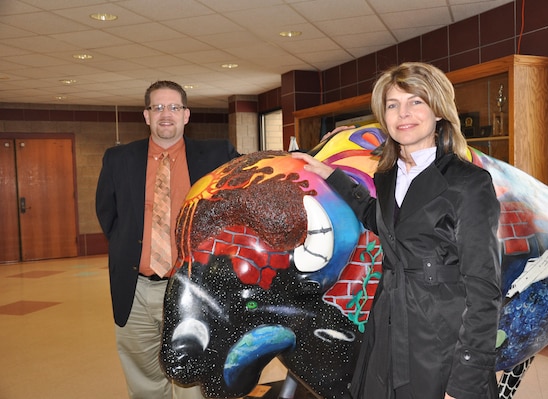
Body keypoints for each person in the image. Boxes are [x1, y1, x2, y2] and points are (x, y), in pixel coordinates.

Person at [292, 62, 501, 399]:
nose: (403, 113)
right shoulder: (387, 177)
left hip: (440, 342)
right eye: (393, 105)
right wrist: (332, 176)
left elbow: (484, 289)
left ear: (438, 111)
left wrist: (465, 380)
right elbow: (383, 224)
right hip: (387, 329)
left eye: (416, 101)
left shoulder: (469, 183)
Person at [95, 80, 240, 399]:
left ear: (186, 115)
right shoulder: (118, 159)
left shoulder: (217, 154)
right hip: (136, 290)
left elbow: (258, 176)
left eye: (174, 107)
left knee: (193, 376)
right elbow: (108, 216)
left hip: (193, 287)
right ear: (146, 115)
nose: (166, 114)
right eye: (157, 107)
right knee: (143, 375)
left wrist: (310, 156)